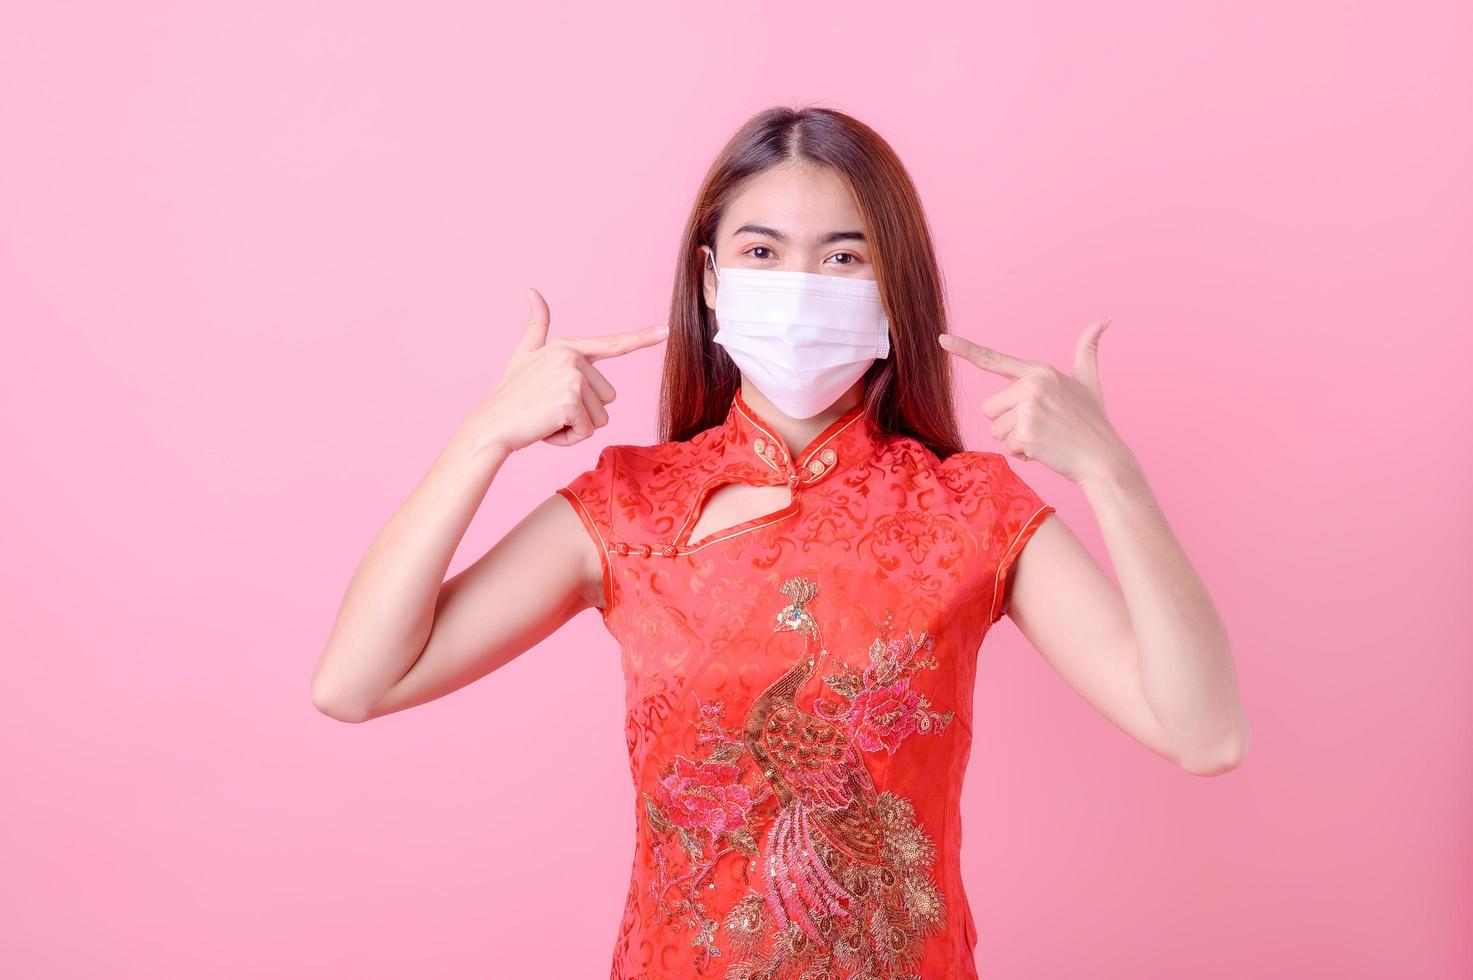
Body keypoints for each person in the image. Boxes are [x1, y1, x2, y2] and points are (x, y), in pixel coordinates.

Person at [310, 105, 1251, 979]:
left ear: (897, 287)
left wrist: (1110, 475)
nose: (801, 285)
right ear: (712, 279)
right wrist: (482, 436)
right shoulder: (630, 509)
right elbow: (356, 681)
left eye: (845, 258)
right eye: (763, 250)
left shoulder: (970, 510)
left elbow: (1202, 732)